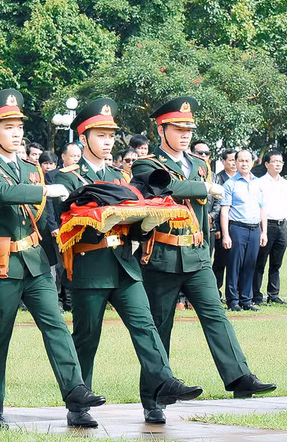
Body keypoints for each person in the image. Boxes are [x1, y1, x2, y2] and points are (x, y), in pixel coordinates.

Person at [50, 98, 202, 427]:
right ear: (83, 136)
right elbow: (64, 223)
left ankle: (164, 381)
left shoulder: (123, 177)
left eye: (110, 136)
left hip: (124, 262)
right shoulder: (70, 178)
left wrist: (146, 224)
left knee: (145, 325)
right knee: (87, 337)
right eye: (101, 135)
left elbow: (135, 216)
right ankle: (78, 403)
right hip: (90, 265)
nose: (107, 142)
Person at [132, 97, 275, 424]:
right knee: (159, 328)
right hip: (163, 255)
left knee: (216, 315)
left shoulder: (199, 163)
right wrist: (207, 187)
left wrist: (209, 249)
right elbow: (167, 187)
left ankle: (239, 377)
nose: (184, 134)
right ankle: (154, 399)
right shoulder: (148, 164)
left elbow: (200, 214)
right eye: (177, 128)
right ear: (161, 128)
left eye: (188, 129)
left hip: (196, 255)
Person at [0, 89, 103, 428]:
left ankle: (75, 391)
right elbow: (3, 194)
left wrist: (59, 240)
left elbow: (42, 218)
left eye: (18, 127)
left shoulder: (32, 169)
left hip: (34, 261)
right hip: (1, 263)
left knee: (56, 325)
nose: (16, 133)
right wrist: (45, 189)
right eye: (8, 127)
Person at [220, 149, 267, 311]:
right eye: (241, 161)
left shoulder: (258, 183)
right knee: (234, 265)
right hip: (237, 228)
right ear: (236, 162)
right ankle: (233, 300)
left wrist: (264, 232)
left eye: (247, 161)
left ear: (252, 162)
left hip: (255, 229)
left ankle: (246, 300)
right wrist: (226, 235)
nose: (244, 164)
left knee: (250, 265)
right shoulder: (230, 184)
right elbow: (224, 211)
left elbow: (262, 209)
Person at [253, 149, 287, 305]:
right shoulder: (258, 183)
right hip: (266, 225)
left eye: (280, 162)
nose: (278, 164)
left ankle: (273, 294)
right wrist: (262, 230)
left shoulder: (286, 184)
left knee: (277, 263)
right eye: (274, 161)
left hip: (282, 225)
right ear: (267, 164)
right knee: (260, 262)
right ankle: (255, 294)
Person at [210, 148, 237, 297]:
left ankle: (234, 293)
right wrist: (219, 228)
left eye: (235, 160)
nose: (234, 163)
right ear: (223, 162)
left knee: (235, 263)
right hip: (221, 228)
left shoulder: (241, 179)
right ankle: (216, 291)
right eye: (231, 160)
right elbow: (217, 205)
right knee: (220, 261)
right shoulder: (218, 179)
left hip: (239, 226)